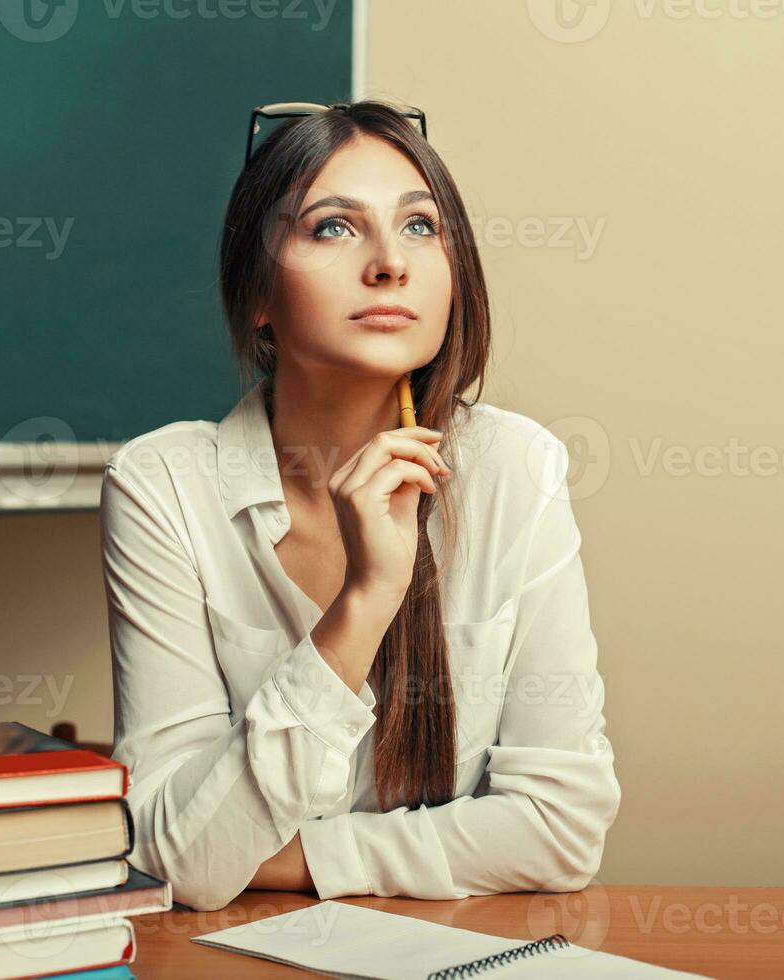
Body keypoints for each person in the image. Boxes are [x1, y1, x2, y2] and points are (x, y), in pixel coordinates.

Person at [100, 100, 619, 912]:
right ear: (258, 294)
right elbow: (176, 855)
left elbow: (562, 827)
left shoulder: (516, 468)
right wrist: (364, 605)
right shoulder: (164, 483)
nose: (390, 264)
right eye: (333, 228)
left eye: (420, 227)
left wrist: (283, 854)